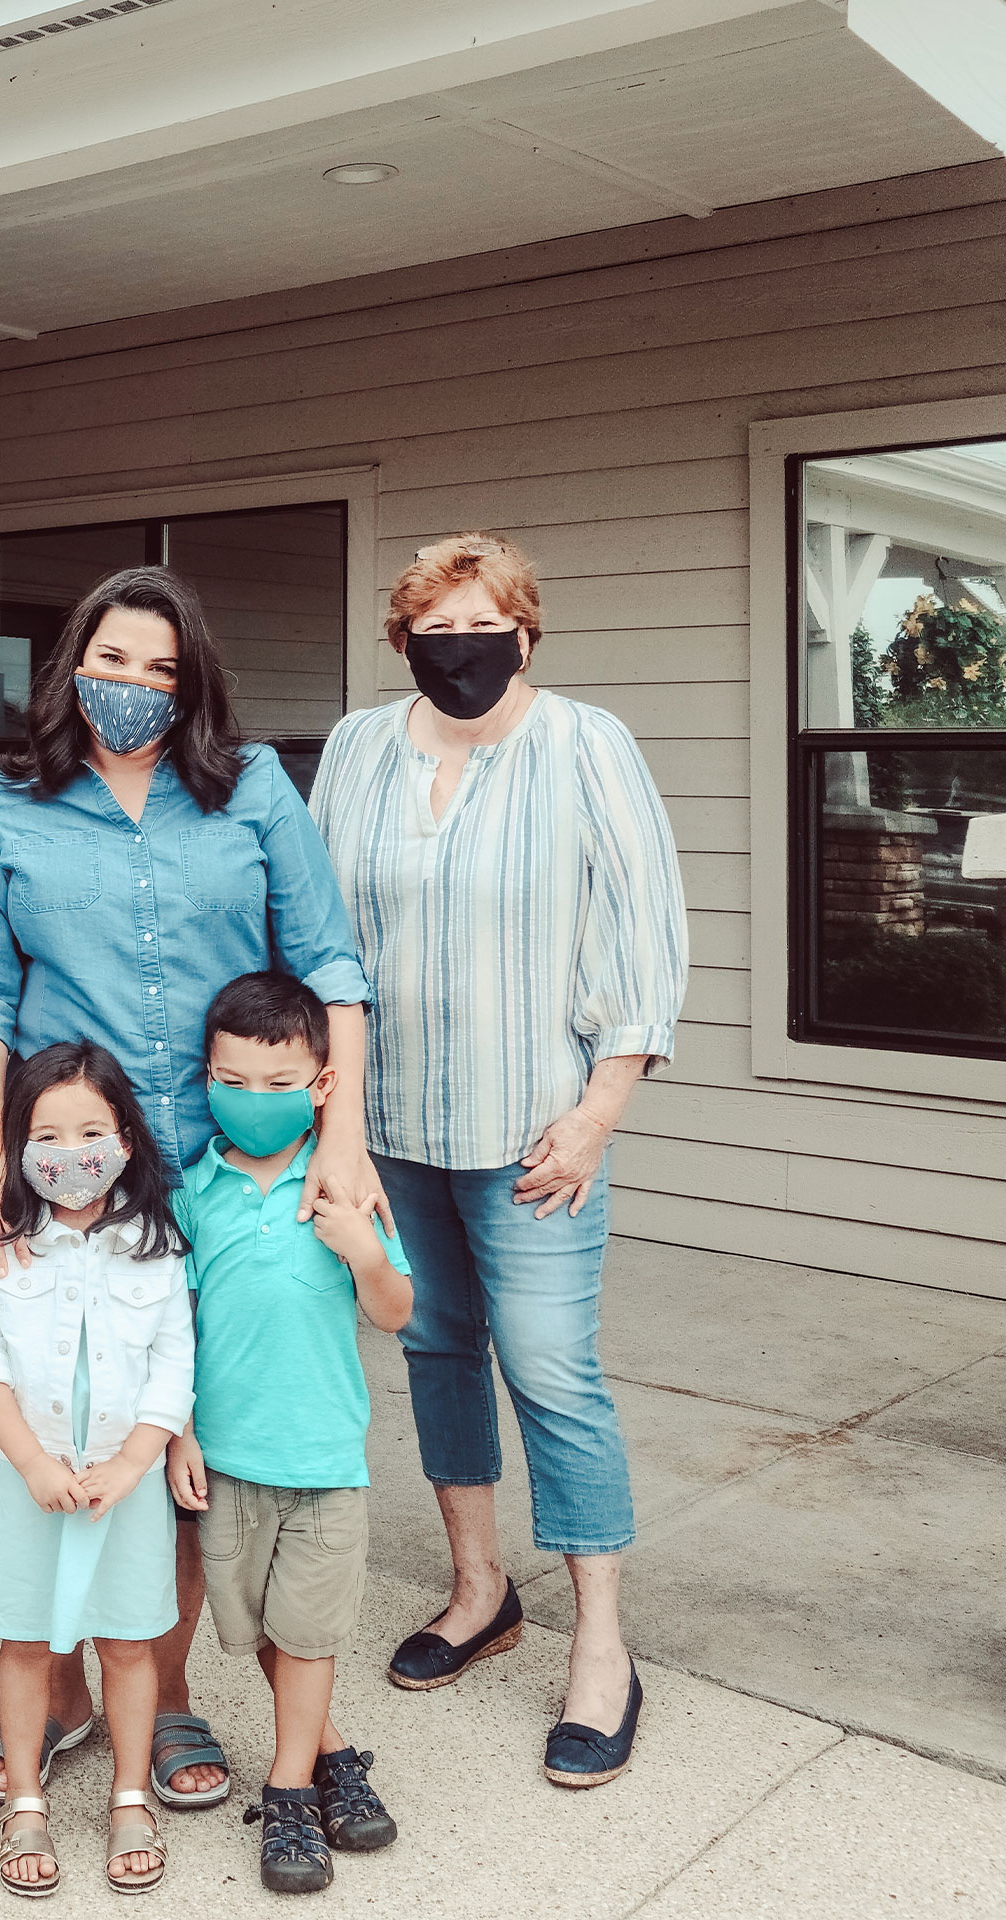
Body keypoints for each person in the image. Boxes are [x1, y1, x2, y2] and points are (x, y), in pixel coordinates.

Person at [0, 565, 379, 1809]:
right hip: (76, 1171)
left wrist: (339, 1146)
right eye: (112, 660)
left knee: (185, 1434)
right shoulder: (9, 804)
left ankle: (163, 1689)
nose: (132, 687)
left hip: (234, 1163)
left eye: (162, 670)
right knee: (62, 1405)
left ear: (195, 688)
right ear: (71, 662)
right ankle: (59, 1678)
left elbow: (333, 967)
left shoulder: (254, 794)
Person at [310, 532, 688, 1788]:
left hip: (535, 1131)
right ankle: (479, 1590)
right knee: (434, 1351)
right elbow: (320, 934)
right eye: (433, 629)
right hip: (394, 1127)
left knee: (551, 1371)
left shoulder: (588, 746)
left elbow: (645, 935)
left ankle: (602, 1648)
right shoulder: (362, 746)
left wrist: (598, 1113)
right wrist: (334, 1121)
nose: (456, 649)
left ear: (526, 634)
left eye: (481, 628)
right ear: (400, 640)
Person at [166, 974, 412, 1895]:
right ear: (208, 1078)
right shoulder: (198, 1191)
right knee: (259, 1625)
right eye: (235, 1081)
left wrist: (362, 1248)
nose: (255, 1101)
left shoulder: (345, 1186)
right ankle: (336, 1752)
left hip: (323, 1461)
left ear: (321, 1084)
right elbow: (175, 1328)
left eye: (280, 1084)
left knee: (307, 1633)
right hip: (226, 1459)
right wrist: (180, 1431)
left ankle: (291, 1793)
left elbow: (395, 1312)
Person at [0, 1040, 194, 1896]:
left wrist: (137, 1461)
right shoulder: (3, 1245)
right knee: (24, 1640)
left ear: (127, 1138)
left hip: (121, 1489)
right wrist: (31, 1462)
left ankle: (131, 1796)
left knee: (130, 1642)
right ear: (19, 1146)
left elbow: (175, 1364)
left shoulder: (157, 1245)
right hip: (28, 1482)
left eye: (90, 1130)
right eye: (46, 1135)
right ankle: (26, 1800)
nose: (70, 1153)